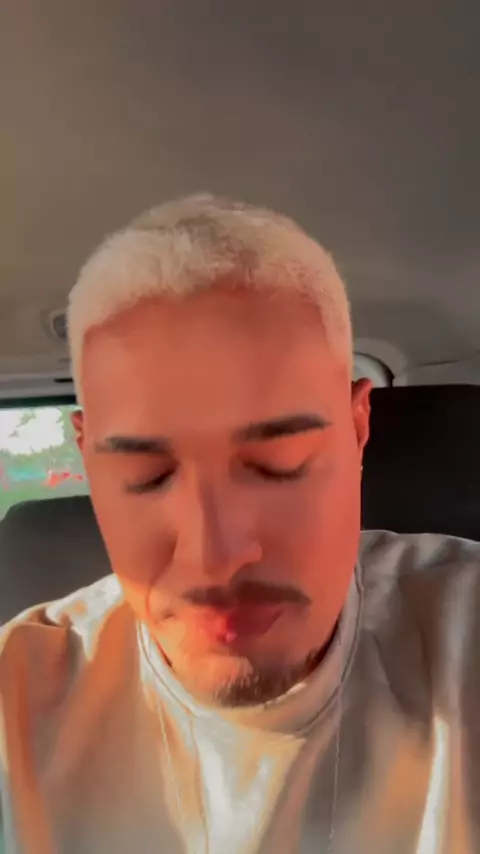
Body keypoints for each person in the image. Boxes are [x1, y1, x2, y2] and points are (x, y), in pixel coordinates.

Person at [0, 195, 478, 854]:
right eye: (146, 474)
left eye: (279, 464)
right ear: (87, 460)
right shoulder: (16, 705)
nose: (215, 555)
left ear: (357, 429)